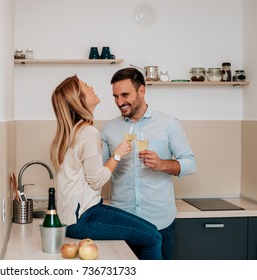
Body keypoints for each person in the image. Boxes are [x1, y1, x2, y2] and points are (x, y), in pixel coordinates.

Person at [50, 75, 163, 260]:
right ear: (79, 99)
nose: (91, 86)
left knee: (151, 230)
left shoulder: (71, 132)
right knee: (153, 238)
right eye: (86, 86)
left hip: (77, 215)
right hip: (83, 218)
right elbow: (96, 181)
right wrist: (117, 155)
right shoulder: (87, 132)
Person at [101, 67, 197, 259]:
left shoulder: (169, 123)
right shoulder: (109, 129)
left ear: (142, 91)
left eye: (125, 95)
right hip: (123, 223)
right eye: (115, 96)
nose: (120, 102)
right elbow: (100, 173)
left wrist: (162, 164)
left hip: (159, 222)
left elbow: (190, 163)